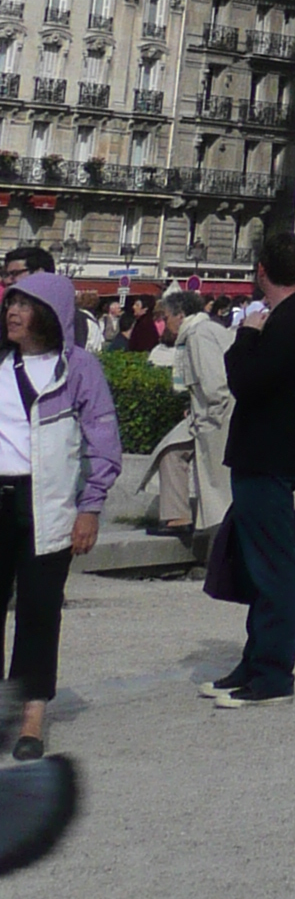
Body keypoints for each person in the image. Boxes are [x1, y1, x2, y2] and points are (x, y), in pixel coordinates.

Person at [0, 268, 122, 759]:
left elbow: (103, 443)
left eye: (24, 305)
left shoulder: (77, 370)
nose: (13, 312)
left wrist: (90, 507)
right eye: (10, 303)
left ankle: (31, 719)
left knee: (38, 611)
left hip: (47, 504)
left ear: (49, 316)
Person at [209, 230, 295, 708]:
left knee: (273, 570)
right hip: (267, 456)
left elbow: (244, 381)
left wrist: (245, 335)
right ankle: (256, 660)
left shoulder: (288, 323)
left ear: (261, 270)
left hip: (267, 458)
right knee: (259, 566)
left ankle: (273, 674)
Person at [151, 286, 233, 540]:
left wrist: (209, 418)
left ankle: (185, 521)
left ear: (180, 315)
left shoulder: (199, 335)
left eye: (165, 318)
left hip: (214, 417)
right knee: (170, 451)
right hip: (207, 414)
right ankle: (177, 517)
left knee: (218, 487)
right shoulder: (206, 330)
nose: (164, 325)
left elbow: (214, 384)